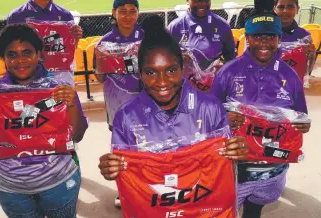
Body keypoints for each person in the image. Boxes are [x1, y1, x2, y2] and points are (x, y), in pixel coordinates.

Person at [98, 15, 248, 194]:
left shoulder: (211, 109)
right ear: (140, 73)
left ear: (182, 66)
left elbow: (223, 165)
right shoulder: (126, 117)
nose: (162, 82)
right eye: (151, 72)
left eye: (171, 70)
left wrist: (235, 152)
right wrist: (112, 168)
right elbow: (126, 170)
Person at [0, 24, 88, 218]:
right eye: (12, 54)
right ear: (3, 58)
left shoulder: (59, 89)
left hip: (59, 182)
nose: (20, 60)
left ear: (39, 53)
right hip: (11, 188)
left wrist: (72, 103)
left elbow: (77, 135)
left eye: (27, 52)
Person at [210, 0, 311, 218]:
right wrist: (224, 118)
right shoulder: (227, 72)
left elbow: (301, 117)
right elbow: (207, 117)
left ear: (279, 39)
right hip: (236, 167)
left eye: (270, 37)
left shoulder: (290, 75)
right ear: (247, 38)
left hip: (272, 169)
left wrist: (303, 124)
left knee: (255, 209)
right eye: (257, 37)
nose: (264, 43)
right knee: (224, 210)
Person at [94, 0, 143, 207]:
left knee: (146, 143)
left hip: (146, 102)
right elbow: (99, 77)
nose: (127, 16)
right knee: (122, 146)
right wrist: (103, 64)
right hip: (117, 103)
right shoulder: (105, 42)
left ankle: (146, 183)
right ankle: (124, 188)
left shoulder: (147, 36)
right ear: (114, 13)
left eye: (132, 11)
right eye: (122, 11)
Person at [6, 0, 83, 86]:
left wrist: (76, 38)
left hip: (60, 76)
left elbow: (69, 50)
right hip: (28, 76)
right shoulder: (16, 16)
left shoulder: (65, 15)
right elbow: (8, 51)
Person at [167, 0, 236, 71]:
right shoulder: (175, 27)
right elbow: (165, 59)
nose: (201, 3)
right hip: (184, 85)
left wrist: (223, 67)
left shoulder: (222, 25)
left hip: (214, 84)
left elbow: (231, 59)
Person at [274, 0, 316, 75]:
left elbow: (305, 71)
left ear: (297, 9)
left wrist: (311, 56)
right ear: (274, 9)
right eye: (281, 7)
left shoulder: (304, 36)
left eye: (290, 7)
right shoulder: (263, 34)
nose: (285, 11)